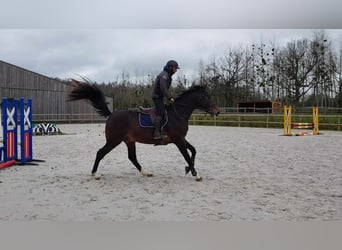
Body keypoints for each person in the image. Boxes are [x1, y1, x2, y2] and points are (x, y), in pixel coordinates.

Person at [152, 60, 179, 139]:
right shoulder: (164, 75)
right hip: (157, 97)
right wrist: (169, 97)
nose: (176, 70)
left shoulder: (167, 75)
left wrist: (170, 96)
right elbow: (163, 88)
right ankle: (156, 133)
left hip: (160, 97)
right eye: (175, 68)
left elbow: (165, 90)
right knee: (161, 113)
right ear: (171, 68)